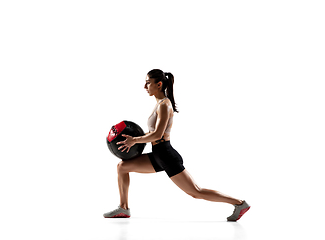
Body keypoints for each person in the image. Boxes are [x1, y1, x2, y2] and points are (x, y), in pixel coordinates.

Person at [103, 69, 250, 221]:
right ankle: (123, 208)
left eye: (148, 83)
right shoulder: (159, 104)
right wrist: (134, 139)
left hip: (166, 156)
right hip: (158, 154)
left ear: (158, 84)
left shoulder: (164, 105)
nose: (145, 86)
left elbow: (157, 135)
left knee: (196, 192)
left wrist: (134, 140)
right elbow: (151, 133)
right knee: (122, 167)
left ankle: (239, 203)